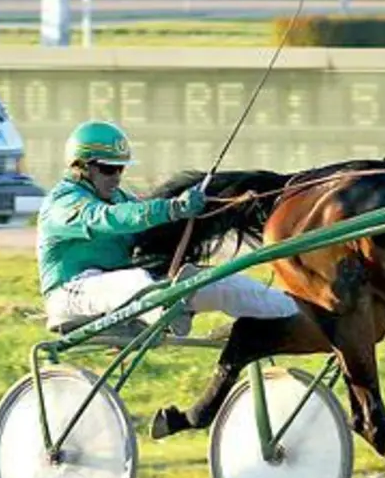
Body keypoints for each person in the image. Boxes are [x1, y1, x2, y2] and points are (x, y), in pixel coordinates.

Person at [37, 118, 301, 349]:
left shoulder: (118, 196)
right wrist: (172, 208)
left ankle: (299, 313)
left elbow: (144, 218)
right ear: (81, 167)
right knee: (138, 281)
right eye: (108, 168)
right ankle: (167, 307)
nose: (117, 176)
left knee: (224, 283)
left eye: (121, 168)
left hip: (130, 291)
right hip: (71, 294)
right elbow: (109, 219)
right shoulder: (63, 202)